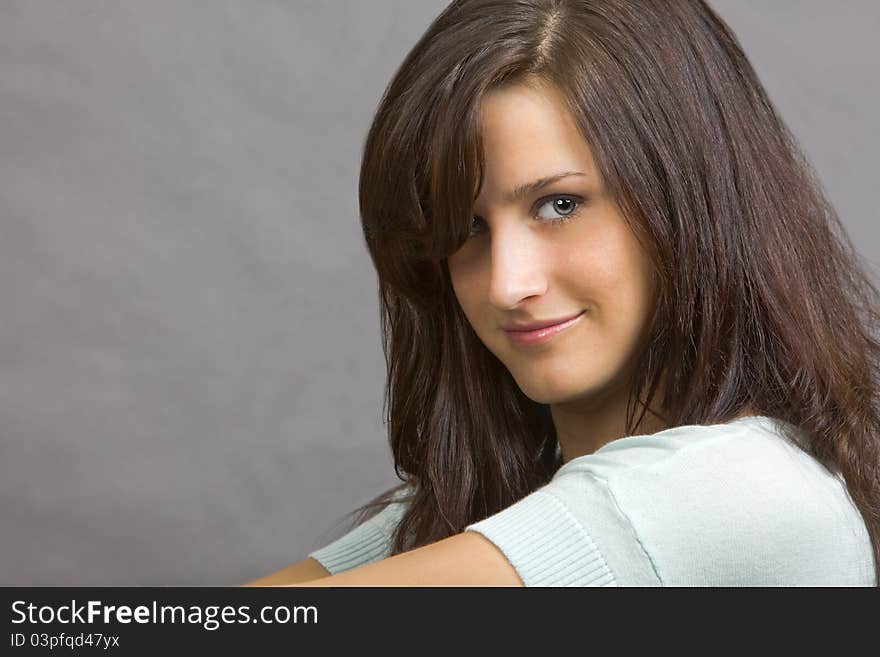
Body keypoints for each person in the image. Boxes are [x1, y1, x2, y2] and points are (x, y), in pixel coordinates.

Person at [245, 0, 879, 586]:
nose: (506, 284)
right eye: (467, 228)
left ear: (691, 200)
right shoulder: (505, 502)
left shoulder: (746, 491)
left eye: (561, 204)